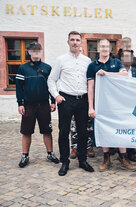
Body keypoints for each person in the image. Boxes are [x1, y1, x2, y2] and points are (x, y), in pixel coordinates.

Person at [48, 31, 94, 176]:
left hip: (82, 100)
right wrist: (56, 95)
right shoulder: (61, 60)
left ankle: (82, 160)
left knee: (82, 132)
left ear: (81, 42)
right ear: (68, 42)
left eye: (77, 40)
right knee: (63, 132)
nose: (75, 42)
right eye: (72, 40)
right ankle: (65, 162)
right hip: (66, 99)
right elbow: (51, 80)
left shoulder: (87, 61)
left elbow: (90, 82)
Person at [87, 39, 136, 171]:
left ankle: (123, 158)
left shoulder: (116, 62)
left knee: (120, 129)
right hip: (101, 104)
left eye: (107, 46)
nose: (104, 48)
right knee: (104, 130)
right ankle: (106, 159)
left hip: (117, 103)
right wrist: (91, 107)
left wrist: (106, 73)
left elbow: (125, 75)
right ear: (98, 49)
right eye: (102, 46)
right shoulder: (92, 66)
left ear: (110, 49)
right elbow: (90, 88)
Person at [15, 42, 59, 168]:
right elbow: (19, 88)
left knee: (47, 131)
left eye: (38, 50)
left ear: (41, 51)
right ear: (29, 52)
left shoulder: (48, 68)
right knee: (26, 131)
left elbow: (52, 86)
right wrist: (20, 104)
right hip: (28, 105)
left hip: (44, 104)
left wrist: (53, 101)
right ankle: (25, 156)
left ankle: (50, 154)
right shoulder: (23, 68)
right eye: (33, 50)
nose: (36, 52)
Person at [120, 49, 136, 162]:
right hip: (121, 103)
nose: (127, 59)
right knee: (122, 128)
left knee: (132, 127)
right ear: (121, 58)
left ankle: (131, 151)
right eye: (125, 56)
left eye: (129, 57)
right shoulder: (116, 71)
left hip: (133, 103)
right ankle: (122, 153)